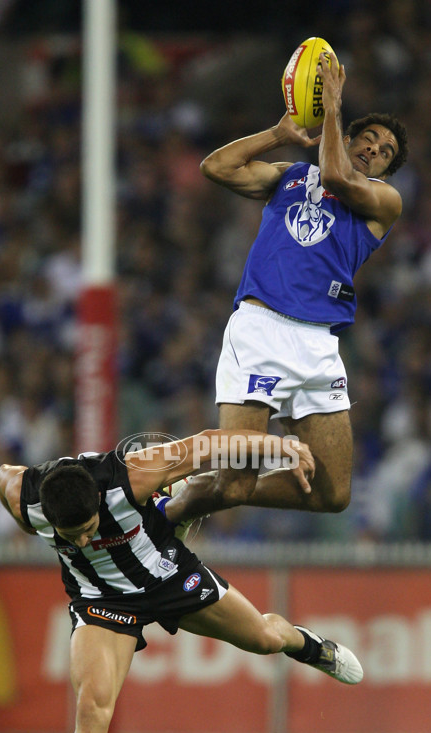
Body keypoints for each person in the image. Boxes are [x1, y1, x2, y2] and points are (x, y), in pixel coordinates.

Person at [0, 427, 363, 733]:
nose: (85, 541)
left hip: (168, 576)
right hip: (101, 600)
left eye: (89, 529)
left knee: (265, 640)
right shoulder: (25, 498)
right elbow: (3, 475)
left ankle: (308, 645)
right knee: (92, 710)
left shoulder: (131, 477)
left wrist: (278, 446)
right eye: (73, 536)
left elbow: (209, 442)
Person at [165, 51, 408, 528]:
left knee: (333, 493)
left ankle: (193, 495)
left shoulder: (383, 202)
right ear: (353, 136)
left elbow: (338, 175)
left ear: (386, 171)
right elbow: (216, 167)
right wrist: (279, 133)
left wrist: (333, 108)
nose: (374, 150)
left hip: (318, 345)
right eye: (370, 139)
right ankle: (174, 501)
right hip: (262, 331)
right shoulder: (291, 176)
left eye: (385, 153)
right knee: (234, 483)